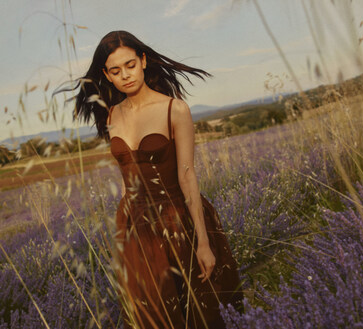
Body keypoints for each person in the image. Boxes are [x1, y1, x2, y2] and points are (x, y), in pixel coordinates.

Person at [67, 31, 242, 329]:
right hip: (136, 229)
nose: (125, 75)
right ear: (107, 76)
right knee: (153, 316)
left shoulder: (175, 109)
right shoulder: (111, 117)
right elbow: (126, 181)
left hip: (177, 223)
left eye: (130, 65)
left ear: (144, 61)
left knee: (197, 313)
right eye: (115, 70)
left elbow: (188, 178)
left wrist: (203, 242)